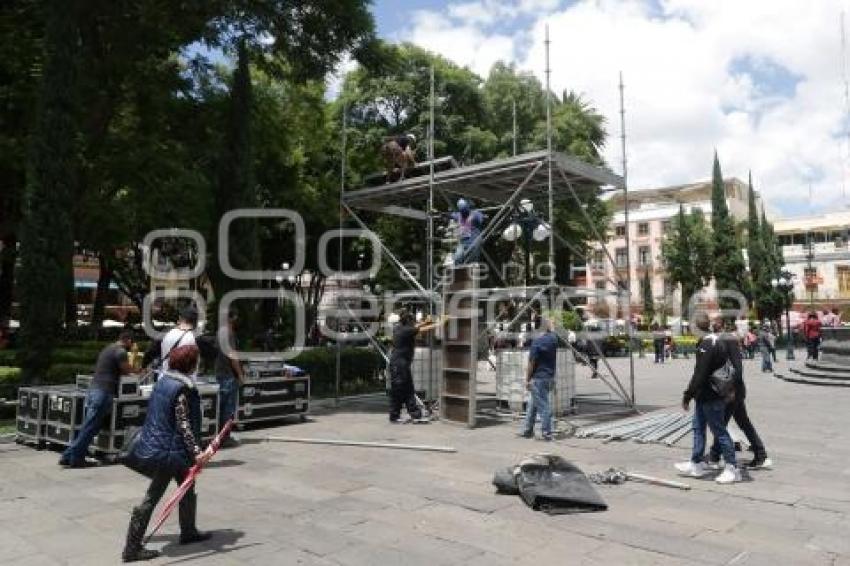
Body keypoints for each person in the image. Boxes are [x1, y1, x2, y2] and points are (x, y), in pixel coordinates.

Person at [121, 345, 213, 562]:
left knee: (187, 487)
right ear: (189, 364)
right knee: (152, 496)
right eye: (196, 361)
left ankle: (188, 531)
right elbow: (184, 424)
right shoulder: (182, 388)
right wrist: (198, 452)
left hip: (166, 447)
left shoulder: (163, 382)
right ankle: (132, 548)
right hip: (169, 452)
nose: (198, 364)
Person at [675, 316, 740, 484]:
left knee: (719, 431)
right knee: (698, 428)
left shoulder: (707, 344)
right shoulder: (713, 340)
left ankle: (733, 468)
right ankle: (696, 463)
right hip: (705, 395)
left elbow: (700, 373)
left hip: (711, 395)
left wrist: (687, 395)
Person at [60, 331, 137, 468]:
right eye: (132, 343)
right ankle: (74, 458)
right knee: (90, 427)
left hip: (94, 390)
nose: (132, 346)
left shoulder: (108, 348)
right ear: (128, 340)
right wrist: (139, 370)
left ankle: (69, 456)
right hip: (104, 392)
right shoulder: (120, 351)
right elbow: (126, 370)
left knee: (88, 427)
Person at [708, 327, 771, 470]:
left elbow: (737, 369)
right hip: (734, 391)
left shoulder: (728, 342)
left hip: (733, 392)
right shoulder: (725, 342)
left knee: (721, 424)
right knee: (742, 422)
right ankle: (760, 454)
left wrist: (731, 390)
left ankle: (714, 455)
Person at [388, 310, 443, 423]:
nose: (414, 322)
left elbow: (416, 327)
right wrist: (439, 324)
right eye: (412, 320)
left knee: (409, 389)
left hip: (401, 364)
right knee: (398, 390)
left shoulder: (400, 327)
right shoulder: (406, 330)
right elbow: (421, 329)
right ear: (408, 321)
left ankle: (415, 414)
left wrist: (425, 322)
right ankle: (394, 416)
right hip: (399, 365)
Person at [519, 317, 559, 441]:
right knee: (533, 404)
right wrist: (550, 324)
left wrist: (527, 379)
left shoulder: (537, 342)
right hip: (549, 377)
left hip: (539, 379)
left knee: (543, 406)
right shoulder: (553, 340)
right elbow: (553, 331)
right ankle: (527, 430)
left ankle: (547, 432)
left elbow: (531, 363)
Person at [215, 311, 245, 447]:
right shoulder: (229, 333)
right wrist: (240, 374)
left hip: (219, 373)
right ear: (232, 318)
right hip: (228, 375)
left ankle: (218, 436)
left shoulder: (219, 332)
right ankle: (225, 438)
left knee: (220, 407)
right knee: (228, 409)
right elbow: (233, 356)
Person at [161, 306, 199, 373]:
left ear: (180, 318)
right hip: (181, 379)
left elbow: (153, 350)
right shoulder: (191, 338)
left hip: (165, 376)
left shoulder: (167, 332)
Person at [451, 198, 485, 265]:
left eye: (464, 210)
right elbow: (450, 215)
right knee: (458, 258)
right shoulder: (459, 215)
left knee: (472, 259)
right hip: (463, 241)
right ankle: (460, 272)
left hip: (474, 239)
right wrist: (441, 214)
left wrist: (478, 218)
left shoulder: (475, 214)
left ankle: (471, 270)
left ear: (467, 207)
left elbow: (481, 220)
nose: (463, 213)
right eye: (461, 210)